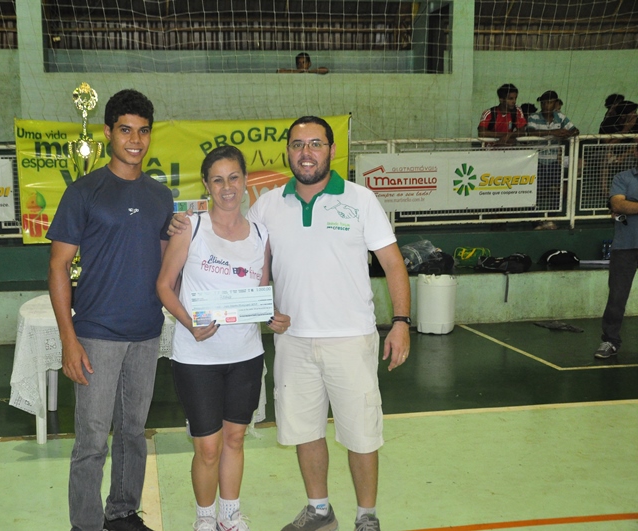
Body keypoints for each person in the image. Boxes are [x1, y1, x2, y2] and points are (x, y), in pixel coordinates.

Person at [171, 116, 411, 531]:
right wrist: (180, 220)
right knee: (305, 431)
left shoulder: (360, 199)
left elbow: (393, 263)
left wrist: (402, 322)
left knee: (361, 435)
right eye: (298, 145)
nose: (306, 152)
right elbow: (231, 233)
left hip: (350, 338)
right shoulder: (267, 206)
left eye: (315, 143)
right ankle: (319, 510)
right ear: (288, 153)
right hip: (293, 341)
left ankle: (366, 516)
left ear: (331, 150)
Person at [46, 89, 173, 531]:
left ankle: (122, 513)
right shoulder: (84, 192)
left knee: (133, 433)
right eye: (125, 130)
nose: (135, 140)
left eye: (143, 131)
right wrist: (69, 339)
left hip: (147, 332)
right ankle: (85, 524)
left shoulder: (161, 196)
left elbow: (167, 268)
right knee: (92, 441)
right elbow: (58, 267)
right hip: (96, 334)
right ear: (107, 133)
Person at [157, 145, 291, 531]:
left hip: (245, 356)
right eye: (218, 180)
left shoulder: (261, 235)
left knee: (235, 439)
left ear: (245, 181)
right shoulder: (190, 227)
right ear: (206, 184)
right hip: (196, 357)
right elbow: (164, 285)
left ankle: (229, 515)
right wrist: (189, 324)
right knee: (207, 446)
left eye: (233, 178)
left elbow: (259, 292)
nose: (227, 187)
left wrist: (272, 316)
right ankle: (204, 518)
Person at [595, 143, 638, 360]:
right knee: (617, 296)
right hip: (625, 246)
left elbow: (624, 208)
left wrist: (632, 205)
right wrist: (623, 208)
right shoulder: (623, 178)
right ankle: (610, 341)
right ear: (636, 152)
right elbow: (618, 207)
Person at [526, 90, 579, 227]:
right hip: (537, 161)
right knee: (533, 191)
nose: (545, 106)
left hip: (554, 161)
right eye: (543, 103)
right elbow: (531, 132)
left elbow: (575, 130)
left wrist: (566, 134)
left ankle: (551, 217)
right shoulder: (534, 117)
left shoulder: (560, 117)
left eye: (548, 103)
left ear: (555, 103)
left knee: (560, 190)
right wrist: (553, 132)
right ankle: (535, 220)